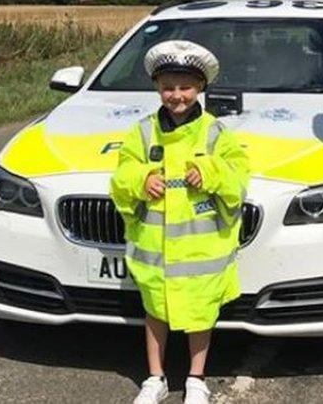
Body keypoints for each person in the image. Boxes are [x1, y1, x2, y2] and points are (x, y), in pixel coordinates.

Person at [109, 40, 249, 404]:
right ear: (157, 87)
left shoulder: (215, 132)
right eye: (168, 87)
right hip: (154, 252)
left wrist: (210, 172)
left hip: (201, 252)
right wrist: (140, 179)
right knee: (154, 312)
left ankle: (196, 379)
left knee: (200, 316)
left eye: (185, 87)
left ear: (201, 87)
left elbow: (238, 179)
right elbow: (121, 173)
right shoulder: (141, 132)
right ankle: (155, 378)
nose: (176, 95)